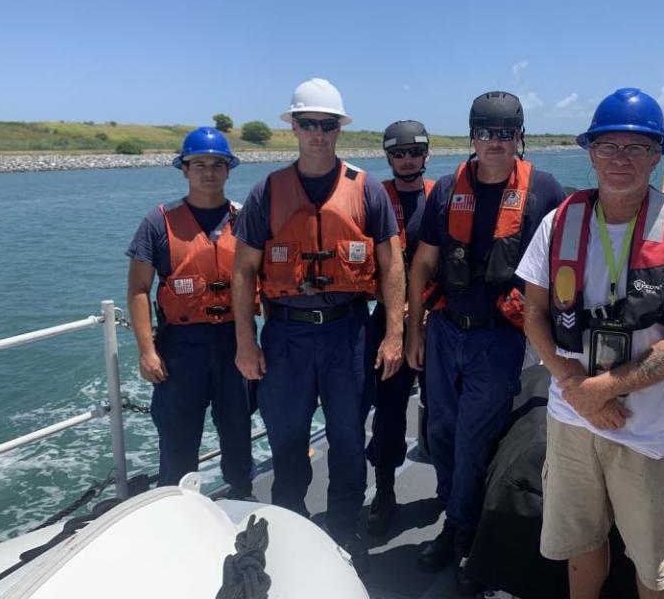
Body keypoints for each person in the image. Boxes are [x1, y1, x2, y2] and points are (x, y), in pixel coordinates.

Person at [517, 88, 664, 599]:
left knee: (656, 567)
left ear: (657, 156)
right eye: (609, 147)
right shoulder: (557, 223)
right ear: (590, 153)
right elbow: (533, 314)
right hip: (572, 421)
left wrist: (602, 389)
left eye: (637, 148)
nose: (621, 160)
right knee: (581, 543)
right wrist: (575, 387)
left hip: (650, 433)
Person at [230, 78, 404, 567]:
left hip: (348, 332)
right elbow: (242, 270)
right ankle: (290, 526)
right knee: (287, 438)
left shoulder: (366, 190)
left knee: (349, 436)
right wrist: (247, 342)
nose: (318, 133)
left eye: (327, 125)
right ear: (295, 128)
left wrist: (392, 335)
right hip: (286, 333)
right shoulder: (267, 192)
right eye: (309, 124)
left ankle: (345, 531)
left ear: (338, 130)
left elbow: (393, 266)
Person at [406, 91, 565, 594]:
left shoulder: (543, 191)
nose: (494, 143)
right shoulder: (447, 189)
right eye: (484, 133)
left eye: (504, 134)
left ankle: (467, 532)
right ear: (471, 136)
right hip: (445, 331)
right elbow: (424, 262)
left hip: (498, 338)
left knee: (475, 437)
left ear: (519, 137)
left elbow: (569, 263)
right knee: (443, 434)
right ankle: (456, 517)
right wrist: (412, 331)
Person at [125, 126, 253, 498]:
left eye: (217, 164)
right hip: (181, 348)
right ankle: (176, 508)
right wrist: (147, 351)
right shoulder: (158, 222)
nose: (208, 171)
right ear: (184, 169)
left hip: (236, 340)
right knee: (179, 440)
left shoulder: (246, 220)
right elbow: (137, 289)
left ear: (229, 170)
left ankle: (242, 496)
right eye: (199, 163)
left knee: (237, 432)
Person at [366, 120, 434, 536]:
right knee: (388, 410)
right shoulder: (374, 199)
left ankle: (452, 489)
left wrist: (426, 308)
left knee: (443, 407)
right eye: (398, 153)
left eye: (414, 151)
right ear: (388, 156)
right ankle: (385, 492)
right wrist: (397, 311)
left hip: (437, 318)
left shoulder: (442, 198)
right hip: (388, 319)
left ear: (425, 154)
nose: (407, 159)